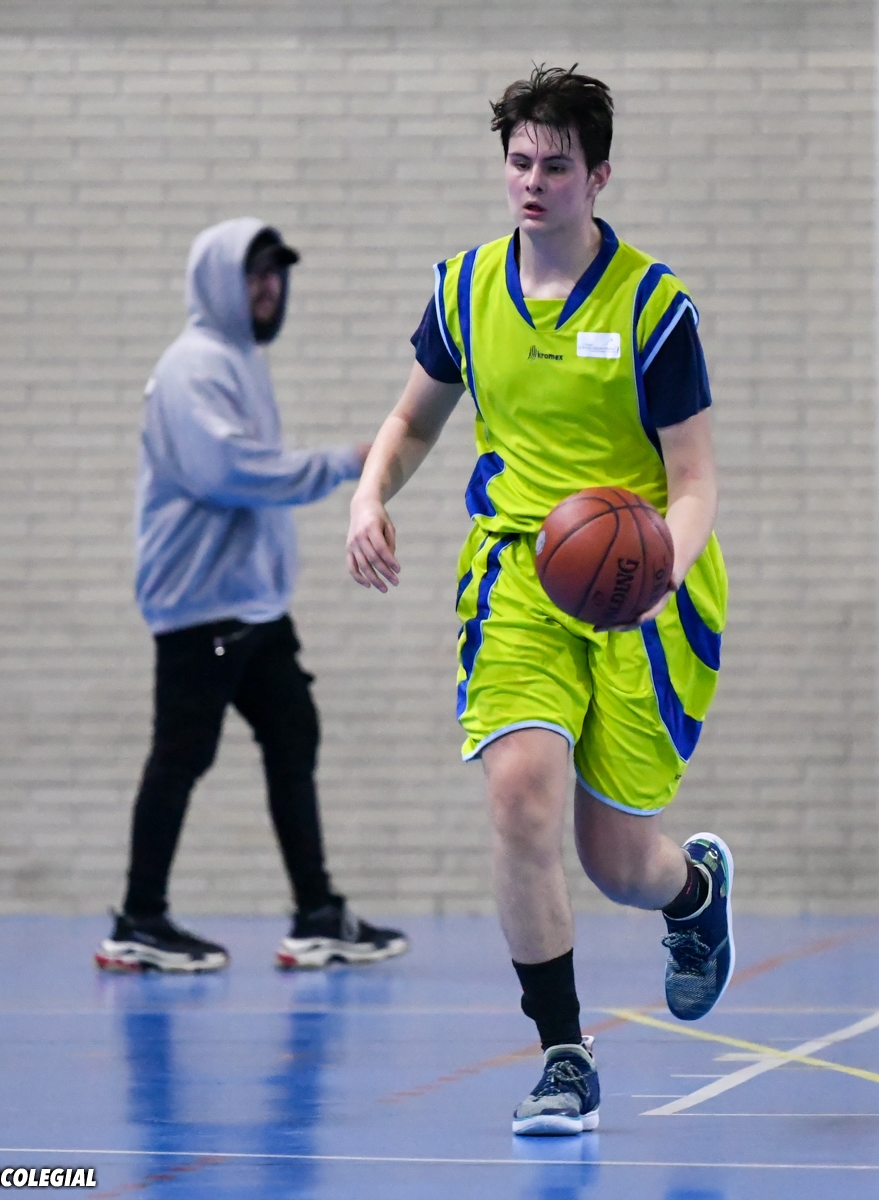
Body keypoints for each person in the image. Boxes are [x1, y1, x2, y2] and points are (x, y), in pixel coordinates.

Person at [346, 66, 732, 1135]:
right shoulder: (467, 289)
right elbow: (413, 420)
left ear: (598, 176)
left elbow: (695, 480)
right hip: (520, 571)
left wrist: (660, 570)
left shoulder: (653, 307)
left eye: (555, 166)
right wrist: (370, 495)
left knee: (619, 864)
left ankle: (692, 895)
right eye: (518, 162)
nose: (531, 181)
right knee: (520, 796)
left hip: (641, 579)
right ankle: (564, 1055)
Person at [96, 218, 407, 974]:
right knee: (181, 754)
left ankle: (317, 914)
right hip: (202, 606)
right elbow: (228, 472)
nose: (269, 287)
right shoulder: (192, 367)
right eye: (254, 272)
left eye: (277, 273)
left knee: (292, 733)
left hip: (251, 606)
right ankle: (139, 920)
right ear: (217, 281)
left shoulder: (238, 361)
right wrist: (343, 462)